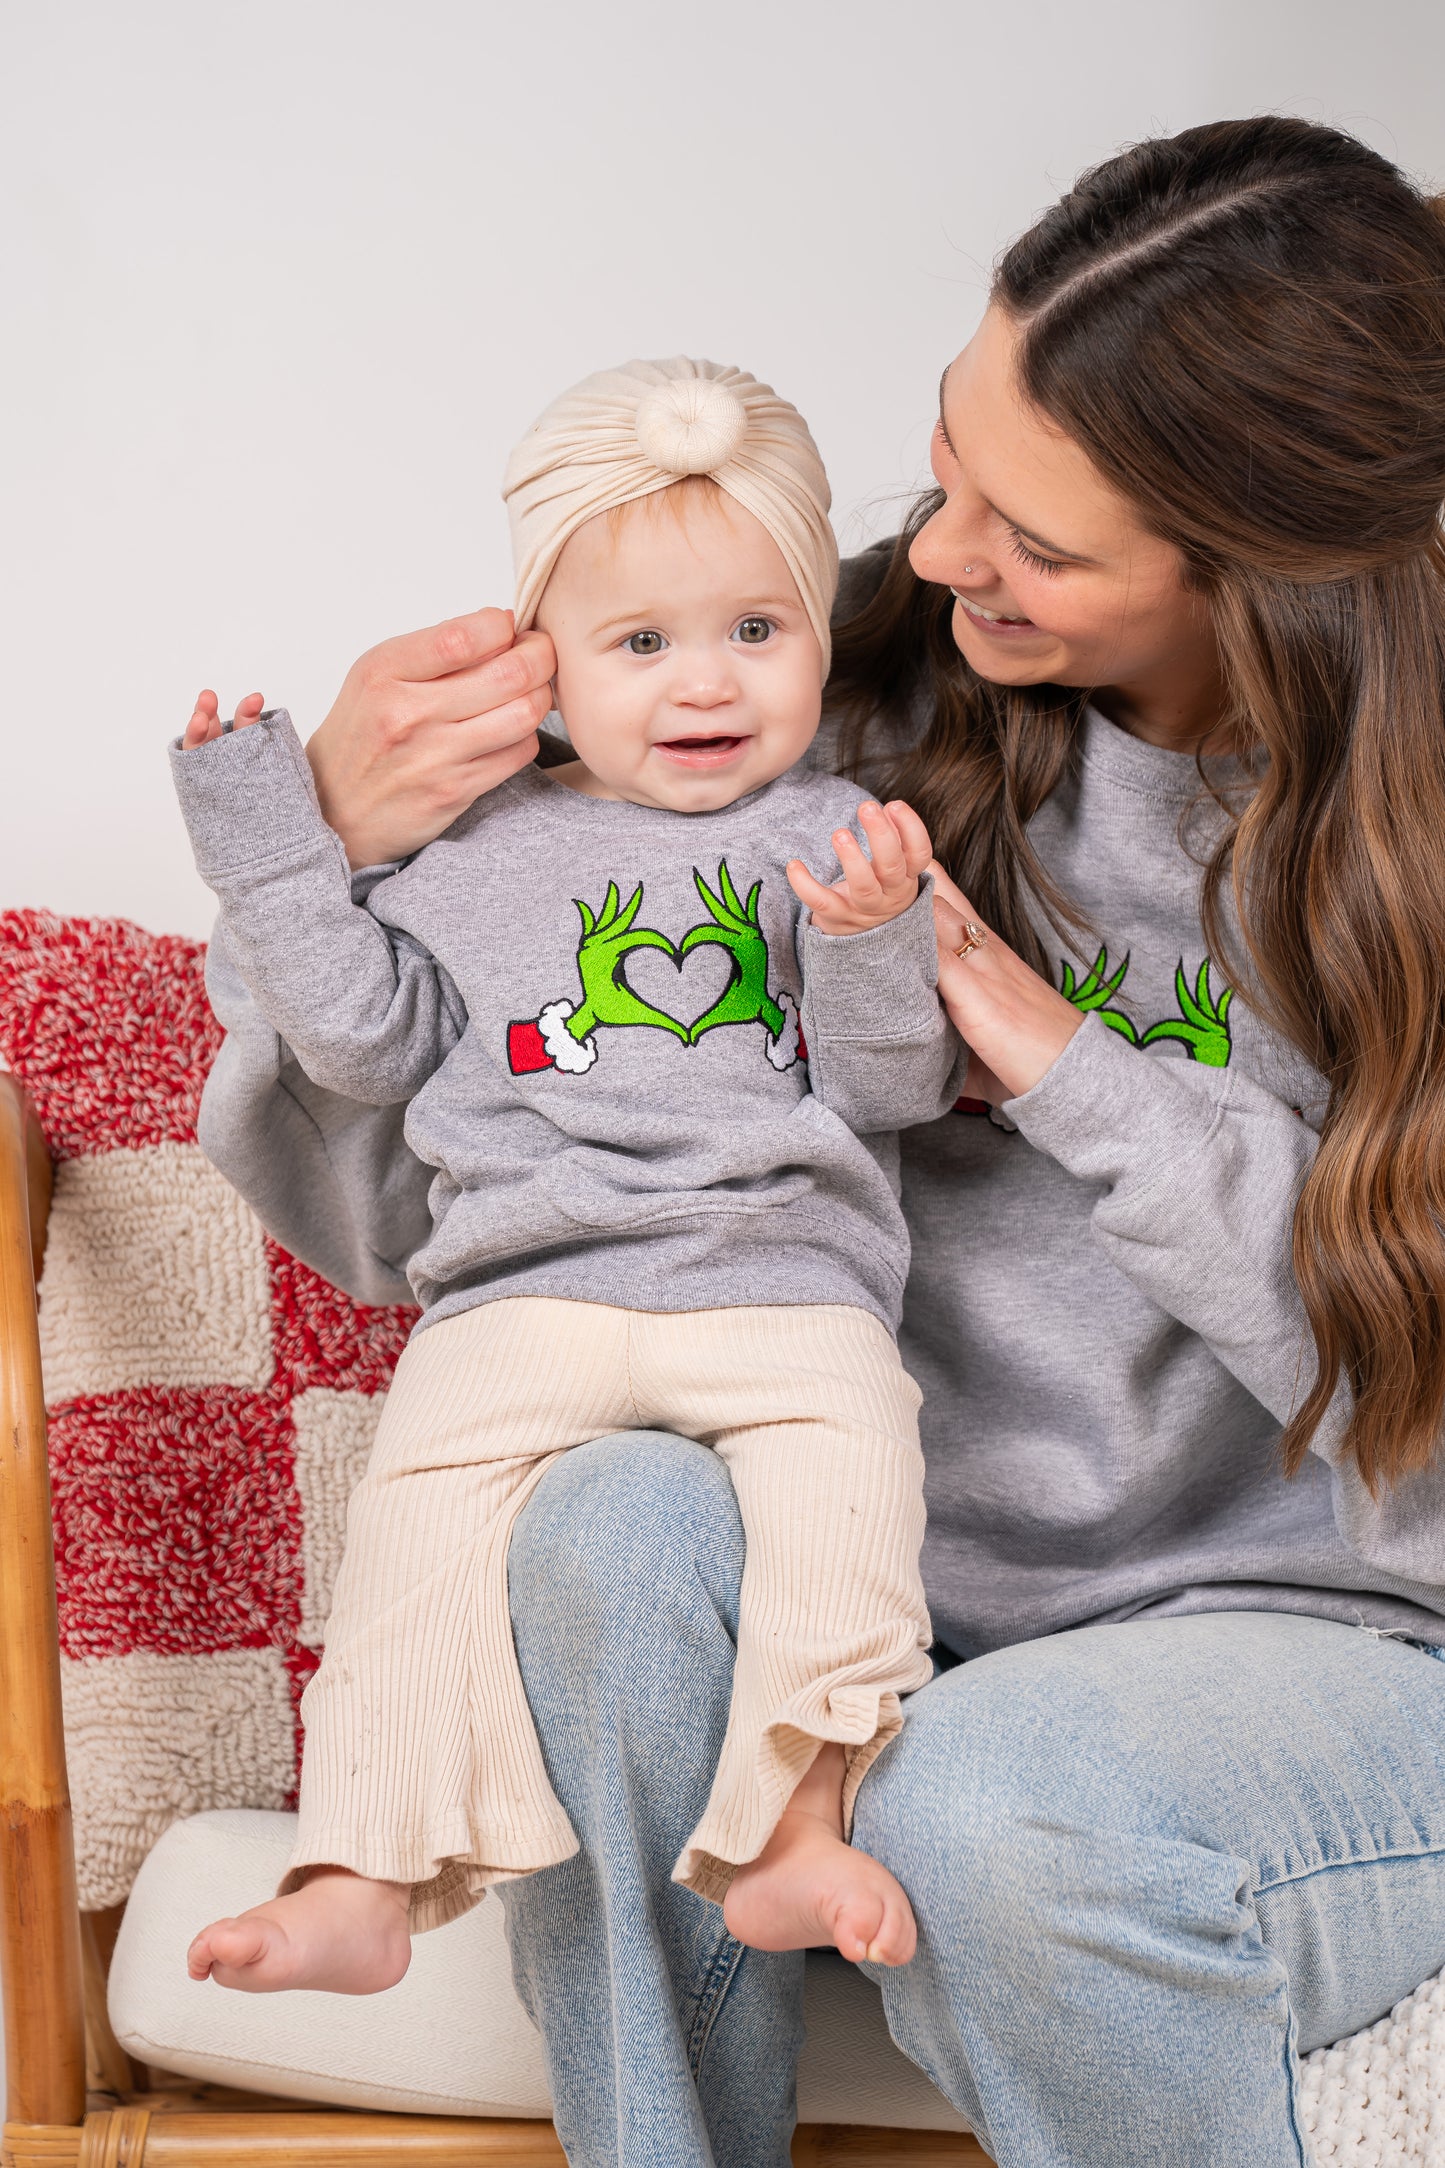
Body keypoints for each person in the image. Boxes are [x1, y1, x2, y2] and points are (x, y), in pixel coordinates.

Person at [183, 118, 1445, 2168]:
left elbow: (1407, 1386)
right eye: (951, 463)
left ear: (1262, 560)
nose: (939, 554)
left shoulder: (1411, 843)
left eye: (1035, 541)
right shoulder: (811, 693)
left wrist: (1068, 1067)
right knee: (604, 1530)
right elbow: (414, 1190)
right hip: (872, 1578)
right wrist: (323, 853)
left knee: (988, 1802)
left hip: (1321, 1643)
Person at [174, 357, 973, 1996]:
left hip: (780, 1288)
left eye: (757, 630)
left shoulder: (845, 834)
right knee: (414, 1542)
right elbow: (357, 1047)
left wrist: (877, 942)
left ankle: (793, 1826)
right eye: (640, 644)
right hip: (528, 1289)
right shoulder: (470, 842)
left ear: (821, 636)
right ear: (542, 661)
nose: (704, 684)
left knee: (855, 1499)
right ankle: (356, 1872)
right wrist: (269, 826)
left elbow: (893, 1091)